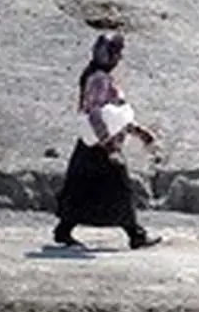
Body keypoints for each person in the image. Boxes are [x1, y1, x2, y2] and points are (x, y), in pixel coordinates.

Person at [53, 32, 162, 250]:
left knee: (82, 189)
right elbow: (96, 113)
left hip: (90, 145)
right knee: (120, 189)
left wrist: (138, 131)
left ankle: (64, 230)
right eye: (117, 53)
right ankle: (135, 235)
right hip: (102, 147)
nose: (119, 58)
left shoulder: (93, 74)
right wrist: (108, 145)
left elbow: (113, 115)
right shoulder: (100, 79)